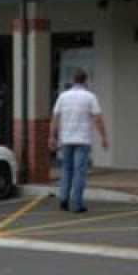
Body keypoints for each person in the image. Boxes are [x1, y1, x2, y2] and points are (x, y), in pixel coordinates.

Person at [48, 69, 108, 214]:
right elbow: (98, 119)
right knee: (79, 172)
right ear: (85, 81)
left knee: (66, 170)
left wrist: (52, 136)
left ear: (73, 80)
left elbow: (55, 117)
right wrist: (104, 137)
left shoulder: (63, 96)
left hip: (66, 138)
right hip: (82, 139)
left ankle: (63, 199)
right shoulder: (90, 97)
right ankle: (78, 204)